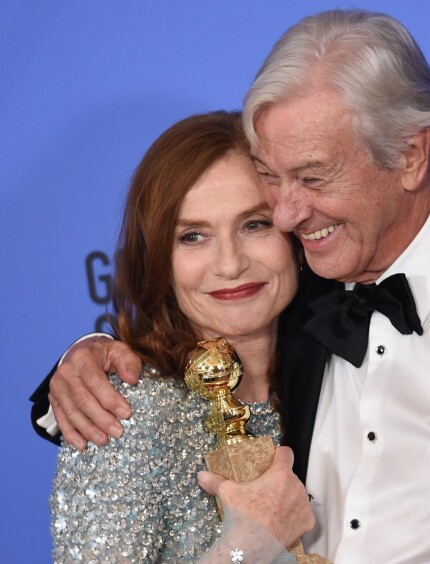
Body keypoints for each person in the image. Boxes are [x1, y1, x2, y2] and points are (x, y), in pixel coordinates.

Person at [31, 10, 430, 563]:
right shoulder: (306, 272)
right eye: (271, 178)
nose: (286, 214)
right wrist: (84, 358)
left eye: (312, 177)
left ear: (409, 155)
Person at [47, 111, 316, 562]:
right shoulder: (126, 413)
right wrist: (250, 545)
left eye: (255, 224)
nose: (230, 264)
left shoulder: (335, 371)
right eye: (193, 236)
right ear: (157, 261)